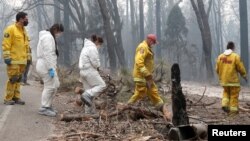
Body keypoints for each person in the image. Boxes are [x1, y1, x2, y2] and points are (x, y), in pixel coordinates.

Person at [2, 11, 30, 105]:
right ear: (21, 19)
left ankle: (16, 97)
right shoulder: (10, 29)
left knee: (18, 80)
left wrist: (28, 57)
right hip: (13, 60)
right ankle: (8, 98)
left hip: (22, 61)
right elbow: (6, 44)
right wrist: (6, 56)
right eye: (26, 19)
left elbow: (26, 45)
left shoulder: (24, 31)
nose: (27, 20)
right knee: (13, 79)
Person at [128, 34, 163, 107]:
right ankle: (128, 106)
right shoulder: (143, 47)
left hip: (147, 76)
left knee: (153, 89)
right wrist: (145, 72)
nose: (153, 44)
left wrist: (148, 74)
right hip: (141, 76)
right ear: (150, 40)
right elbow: (138, 61)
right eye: (153, 42)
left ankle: (160, 105)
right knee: (141, 92)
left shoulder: (147, 47)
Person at [36, 23, 64, 117]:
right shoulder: (48, 38)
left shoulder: (50, 37)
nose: (59, 34)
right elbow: (47, 54)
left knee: (55, 85)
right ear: (55, 29)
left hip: (48, 65)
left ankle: (48, 105)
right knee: (49, 86)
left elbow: (51, 55)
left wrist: (53, 67)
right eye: (59, 32)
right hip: (45, 65)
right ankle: (44, 107)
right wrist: (50, 69)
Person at [216, 41, 247, 117]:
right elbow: (240, 68)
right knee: (234, 95)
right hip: (233, 81)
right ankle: (233, 113)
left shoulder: (220, 57)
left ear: (227, 47)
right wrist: (244, 75)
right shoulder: (235, 56)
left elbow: (217, 69)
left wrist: (221, 76)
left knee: (226, 93)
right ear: (233, 47)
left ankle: (225, 105)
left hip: (224, 81)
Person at [79, 35, 106, 115]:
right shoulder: (92, 48)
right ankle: (86, 95)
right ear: (97, 41)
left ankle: (88, 113)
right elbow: (95, 63)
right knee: (102, 85)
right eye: (100, 44)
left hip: (82, 71)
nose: (99, 46)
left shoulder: (85, 47)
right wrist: (99, 67)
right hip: (89, 71)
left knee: (90, 93)